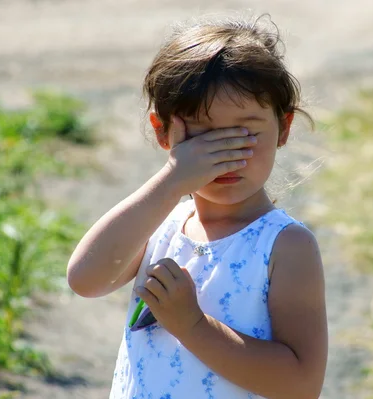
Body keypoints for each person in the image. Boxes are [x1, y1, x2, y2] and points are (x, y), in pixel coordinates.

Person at [66, 14, 328, 399]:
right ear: (163, 132)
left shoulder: (285, 246)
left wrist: (193, 326)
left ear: (283, 128)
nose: (226, 153)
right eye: (203, 134)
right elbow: (86, 279)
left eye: (246, 132)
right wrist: (172, 180)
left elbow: (301, 385)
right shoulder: (160, 222)